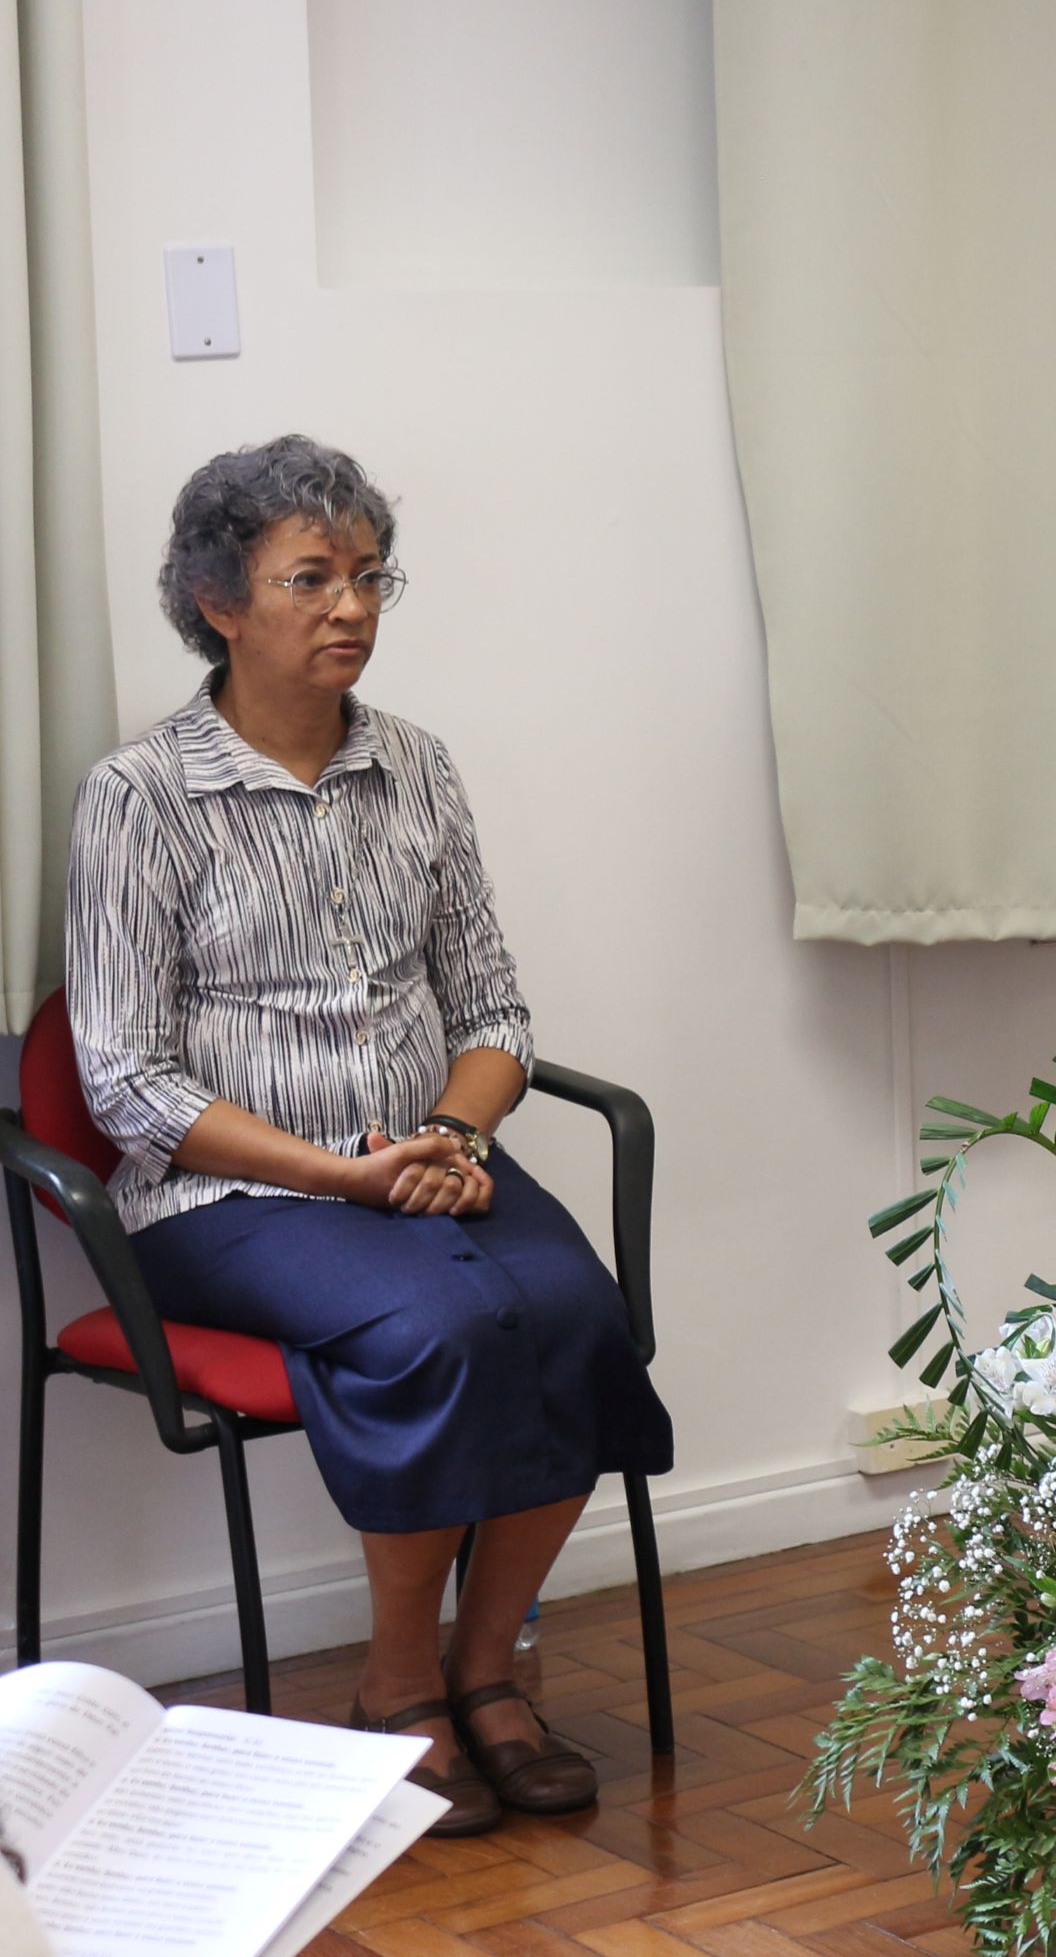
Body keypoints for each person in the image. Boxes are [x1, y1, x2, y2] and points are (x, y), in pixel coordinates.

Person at [65, 437, 673, 1840]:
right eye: (310, 577)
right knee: (437, 1332)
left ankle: (486, 1668)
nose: (350, 605)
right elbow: (125, 1081)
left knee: (579, 1317)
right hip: (228, 1195)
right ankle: (394, 1687)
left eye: (369, 575)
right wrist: (340, 1171)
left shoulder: (416, 764)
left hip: (426, 1156)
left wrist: (453, 1129)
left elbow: (494, 1007)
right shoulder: (141, 795)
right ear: (219, 601)